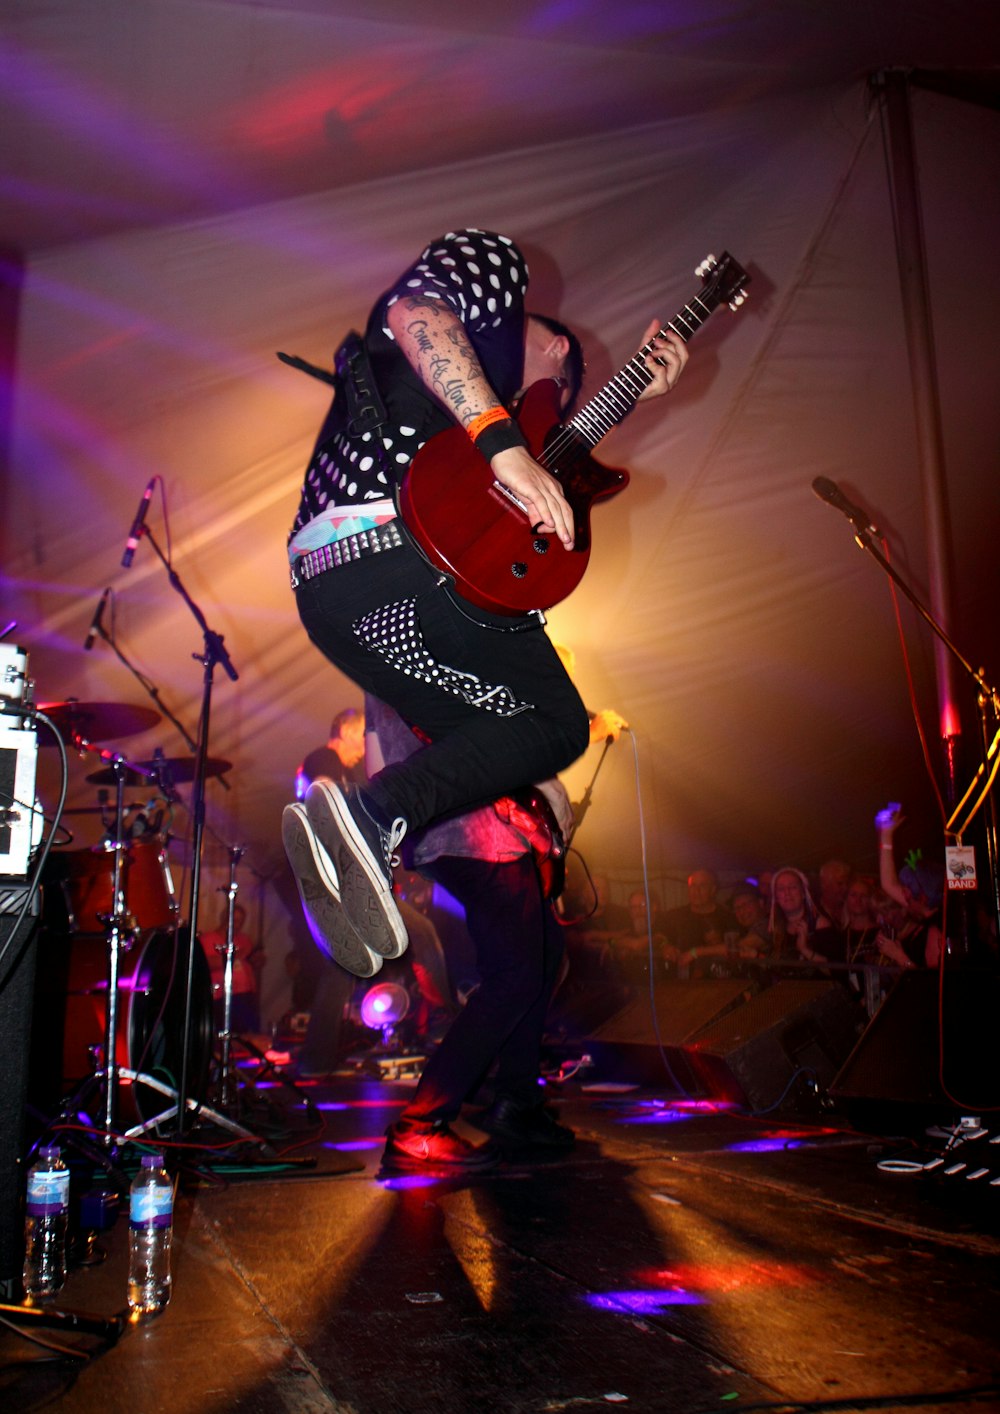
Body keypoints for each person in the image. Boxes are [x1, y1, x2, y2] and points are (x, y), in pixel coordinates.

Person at [282, 228, 688, 1160]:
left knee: (526, 726)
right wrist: (507, 447)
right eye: (566, 361)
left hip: (340, 592)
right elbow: (417, 315)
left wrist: (629, 398)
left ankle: (373, 831)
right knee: (553, 717)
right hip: (395, 553)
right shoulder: (489, 273)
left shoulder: (490, 424)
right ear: (543, 340)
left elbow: (544, 465)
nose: (562, 368)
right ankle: (380, 809)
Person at [874, 803, 944, 967]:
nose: (901, 893)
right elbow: (888, 883)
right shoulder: (923, 910)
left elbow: (931, 985)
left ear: (921, 897)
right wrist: (886, 836)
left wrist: (898, 956)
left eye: (905, 889)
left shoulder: (937, 929)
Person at [199, 901, 264, 1035]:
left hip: (246, 995)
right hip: (223, 996)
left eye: (240, 921)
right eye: (234, 919)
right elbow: (205, 965)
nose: (237, 923)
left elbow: (252, 962)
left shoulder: (244, 939)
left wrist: (257, 959)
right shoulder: (208, 939)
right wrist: (233, 956)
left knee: (246, 1032)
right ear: (224, 917)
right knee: (227, 1032)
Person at [665, 868, 739, 973]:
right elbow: (660, 936)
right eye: (693, 886)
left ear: (713, 890)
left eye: (702, 886)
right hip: (683, 982)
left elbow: (736, 946)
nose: (696, 891)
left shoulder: (727, 917)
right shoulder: (674, 916)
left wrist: (695, 953)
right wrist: (665, 946)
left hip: (719, 982)